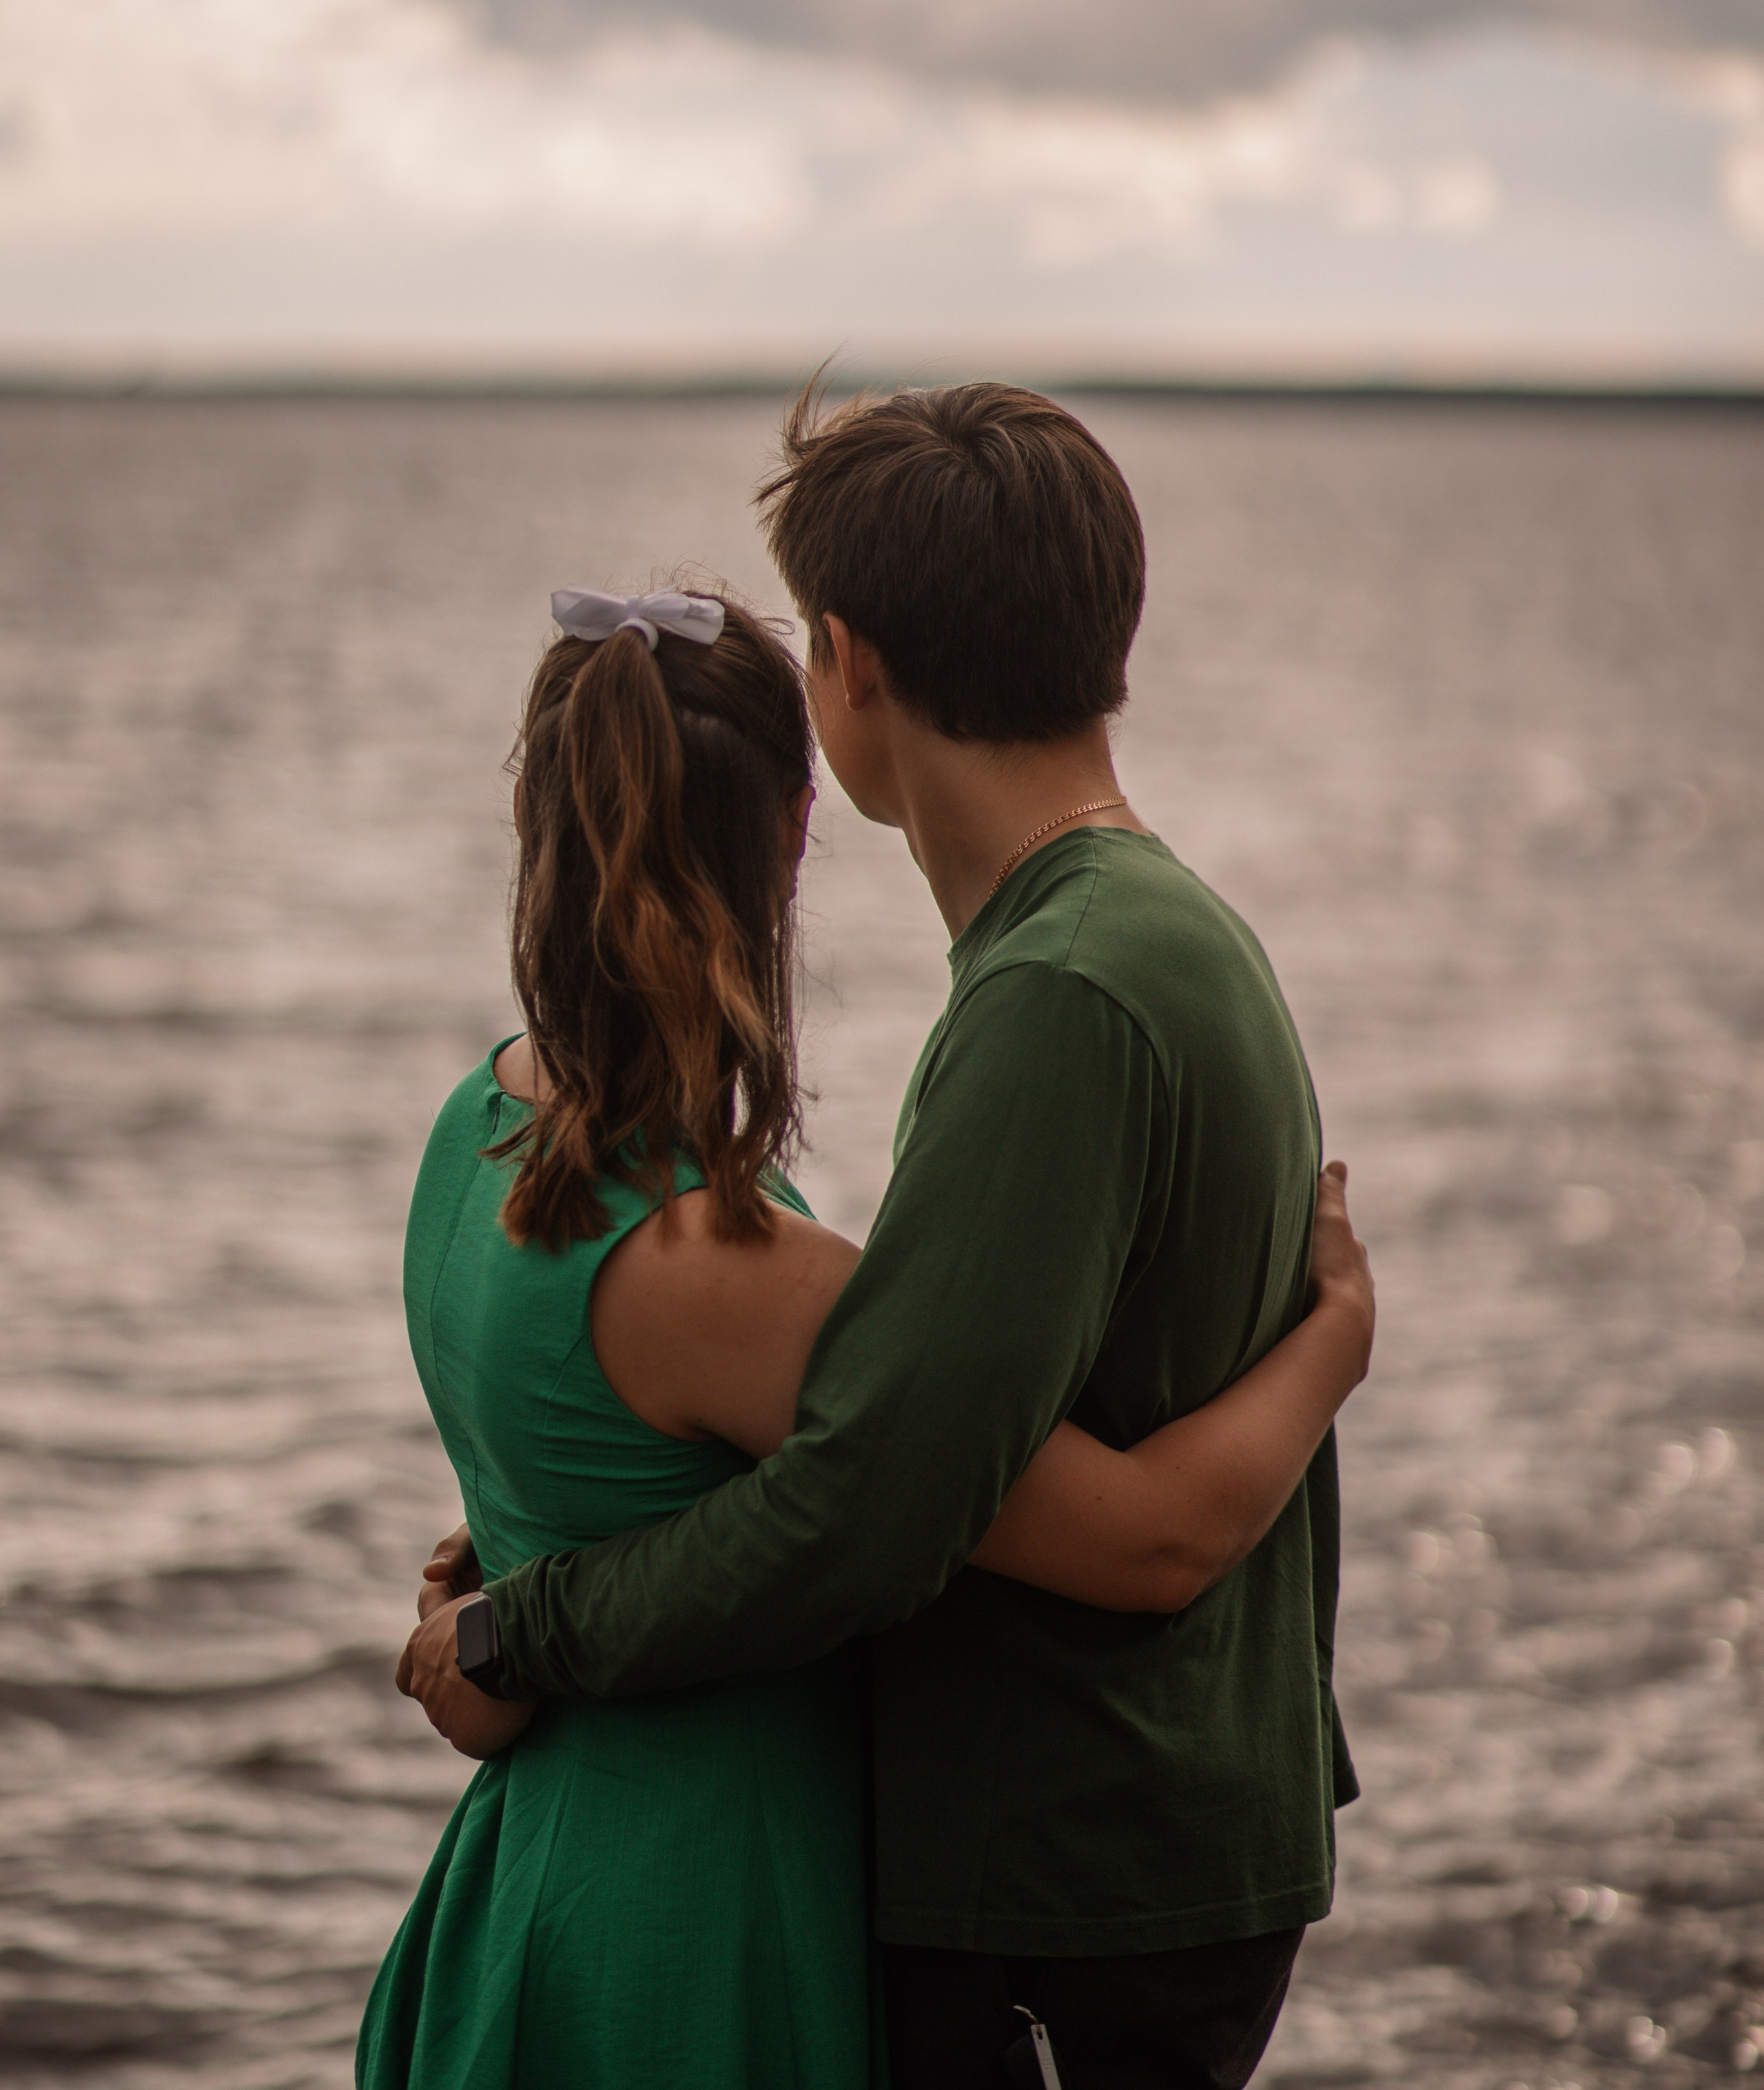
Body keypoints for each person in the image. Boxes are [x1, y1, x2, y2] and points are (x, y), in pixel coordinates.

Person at [393, 385, 1368, 2090]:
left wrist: (516, 1621)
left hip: (1072, 1887)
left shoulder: (1057, 993)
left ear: (847, 663)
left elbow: (867, 1496)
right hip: (1082, 1860)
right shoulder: (1140, 938)